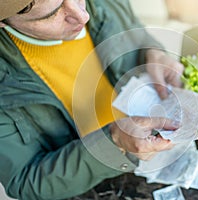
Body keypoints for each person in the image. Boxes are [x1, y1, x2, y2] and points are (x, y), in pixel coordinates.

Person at [0, 0, 184, 199]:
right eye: (51, 14)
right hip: (93, 184)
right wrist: (114, 142)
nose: (82, 16)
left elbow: (133, 29)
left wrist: (152, 52)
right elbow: (25, 180)